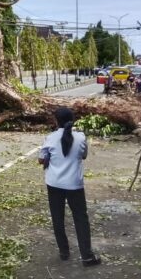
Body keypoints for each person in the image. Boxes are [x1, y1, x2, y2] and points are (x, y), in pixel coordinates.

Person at [39, 107, 101, 267]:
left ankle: (64, 251)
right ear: (72, 120)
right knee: (81, 218)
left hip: (54, 183)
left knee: (57, 218)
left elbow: (41, 159)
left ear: (56, 121)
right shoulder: (80, 137)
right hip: (74, 184)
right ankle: (87, 255)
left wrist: (49, 159)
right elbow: (84, 155)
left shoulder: (50, 138)